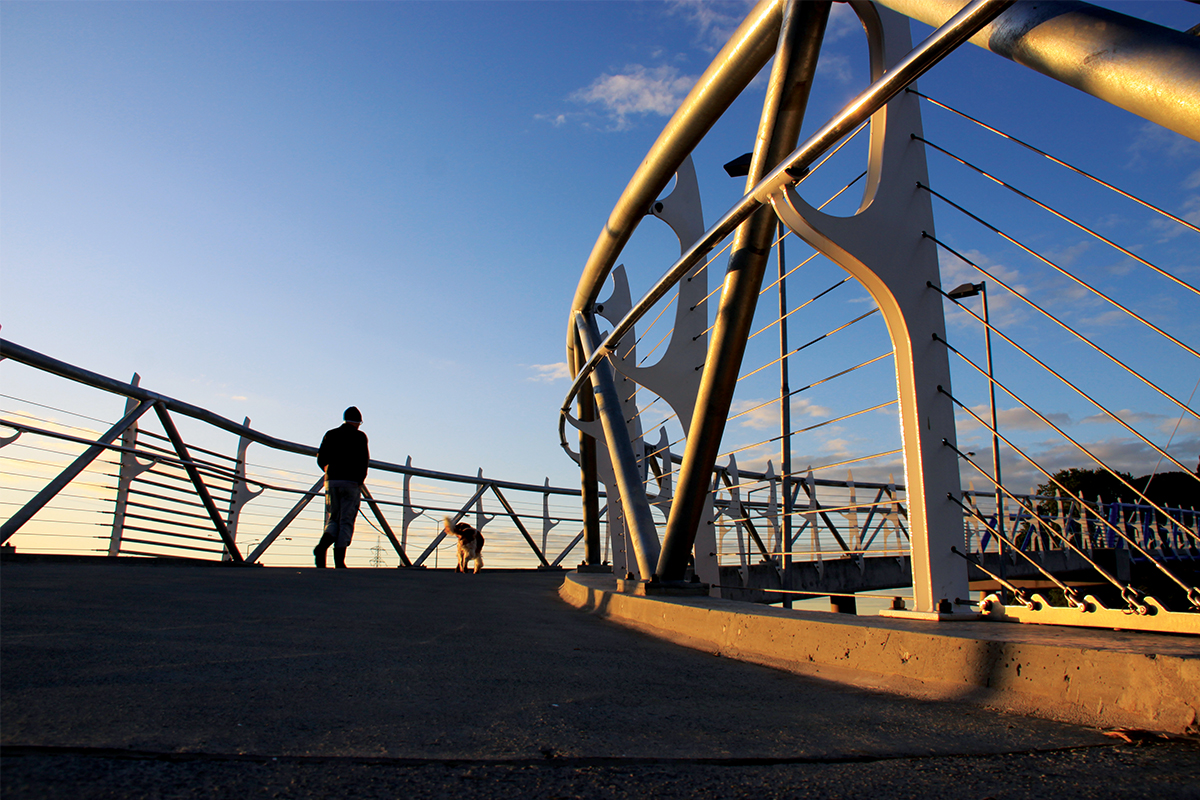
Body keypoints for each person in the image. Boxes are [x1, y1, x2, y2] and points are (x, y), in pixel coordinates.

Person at [314, 406, 369, 568]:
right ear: (358, 422)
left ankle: (322, 547)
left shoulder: (331, 434)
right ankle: (339, 559)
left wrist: (329, 471)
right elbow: (363, 460)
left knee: (334, 517)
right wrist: (360, 479)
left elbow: (321, 458)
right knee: (346, 520)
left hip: (332, 481)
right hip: (351, 482)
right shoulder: (360, 437)